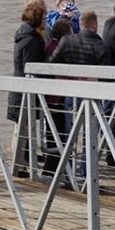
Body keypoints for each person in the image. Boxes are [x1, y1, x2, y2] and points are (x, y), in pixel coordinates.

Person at [48, 9, 110, 177]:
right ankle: (86, 173)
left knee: (70, 135)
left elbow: (52, 62)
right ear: (95, 26)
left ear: (81, 25)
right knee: (90, 137)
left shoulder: (67, 40)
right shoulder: (101, 45)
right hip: (93, 96)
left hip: (71, 93)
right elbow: (107, 76)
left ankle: (68, 172)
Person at [7, 0, 47, 177]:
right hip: (24, 91)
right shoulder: (31, 40)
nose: (47, 21)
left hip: (21, 89)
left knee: (22, 128)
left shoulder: (25, 35)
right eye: (44, 18)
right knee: (22, 128)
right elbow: (30, 67)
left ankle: (21, 164)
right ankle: (19, 166)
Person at [42, 17, 72, 177]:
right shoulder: (60, 48)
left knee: (51, 133)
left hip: (48, 97)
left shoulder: (47, 47)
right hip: (59, 97)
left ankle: (50, 169)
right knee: (61, 134)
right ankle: (57, 170)